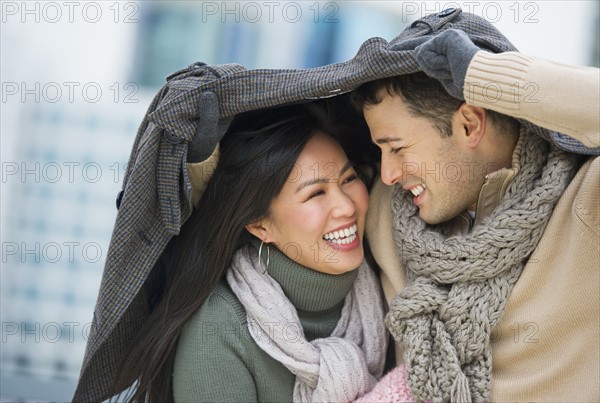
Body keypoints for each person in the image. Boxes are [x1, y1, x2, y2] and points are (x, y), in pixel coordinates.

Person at [352, 28, 599, 402]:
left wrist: (489, 78)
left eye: (397, 148)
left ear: (469, 124)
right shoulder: (381, 207)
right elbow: (262, 202)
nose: (388, 173)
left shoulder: (585, 199)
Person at [112, 100, 390, 402]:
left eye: (349, 179)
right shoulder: (220, 327)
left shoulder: (390, 274)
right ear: (260, 225)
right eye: (316, 193)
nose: (347, 206)